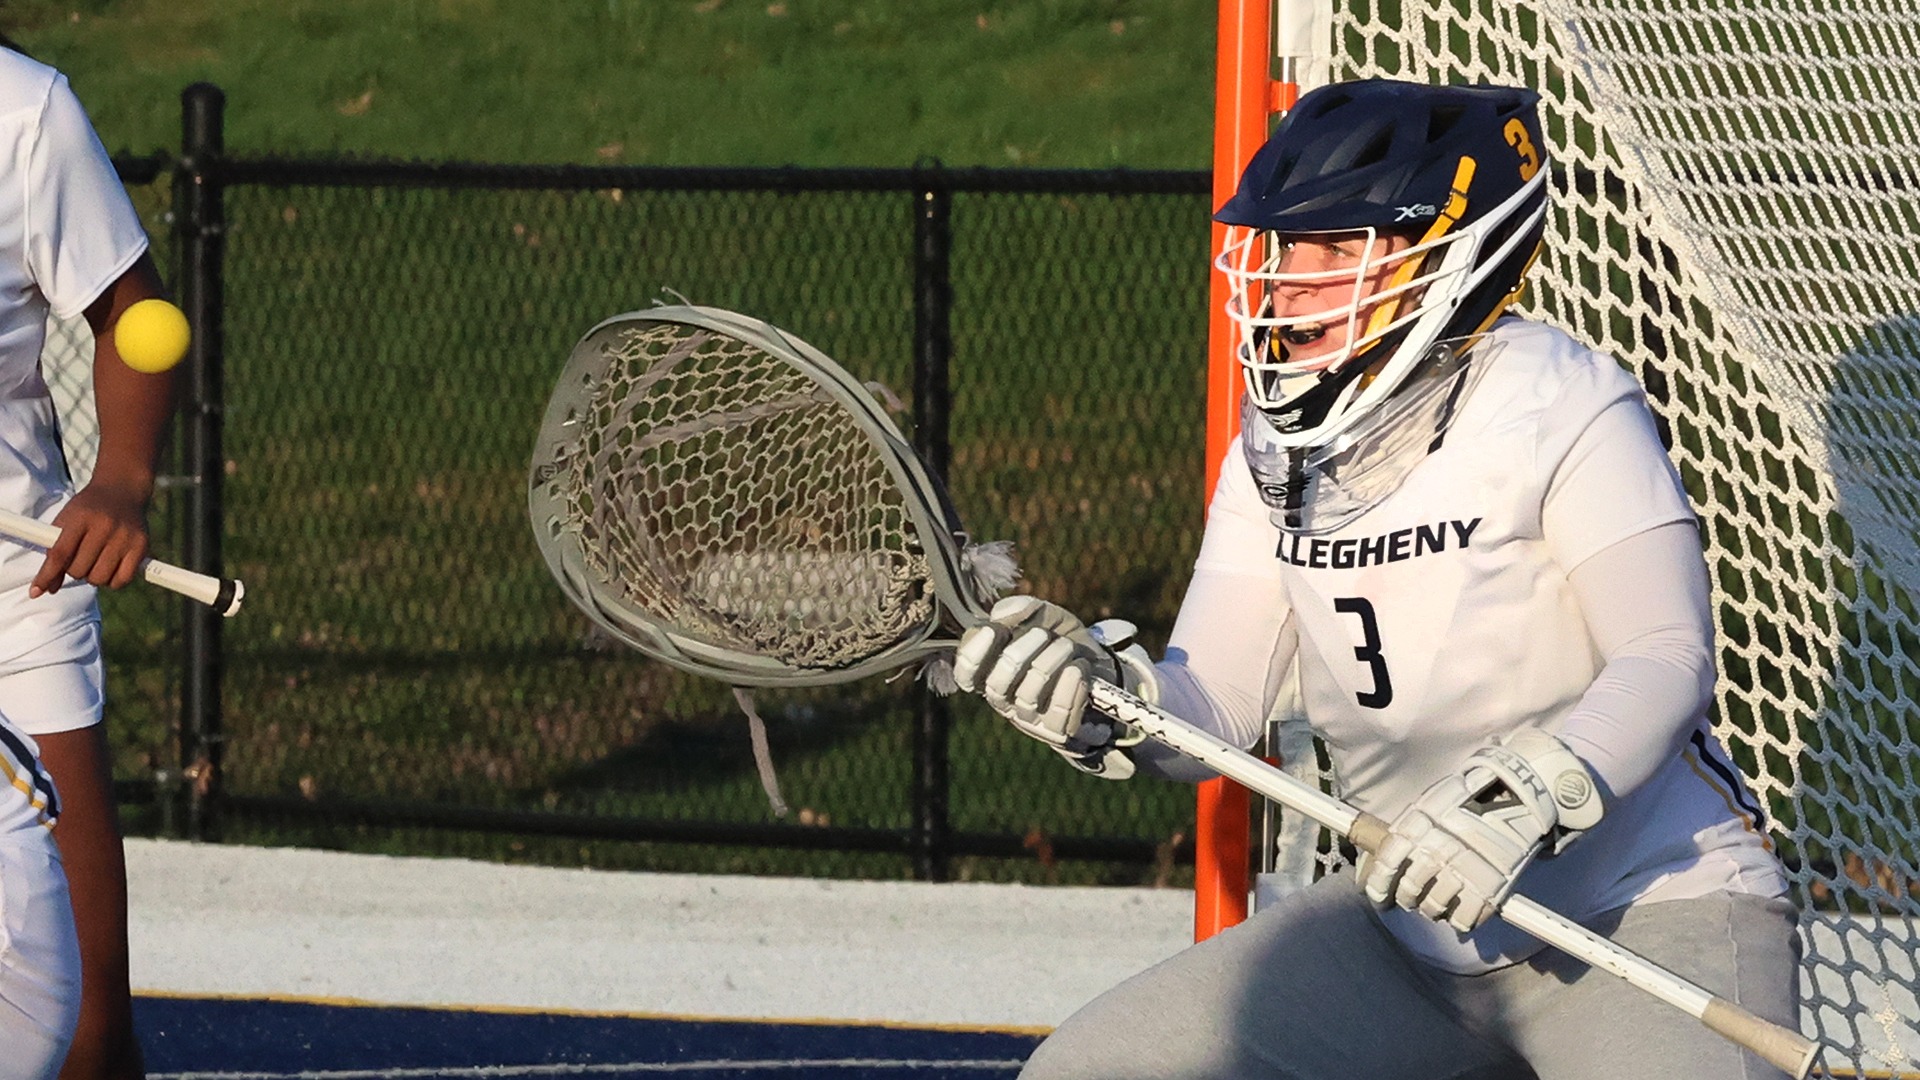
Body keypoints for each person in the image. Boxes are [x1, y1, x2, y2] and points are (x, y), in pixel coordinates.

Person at [953, 78, 1799, 1080]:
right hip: (1407, 932)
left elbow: (1667, 654)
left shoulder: (1558, 400)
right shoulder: (1276, 443)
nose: (1290, 280)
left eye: (1334, 245)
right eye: (1284, 246)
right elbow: (1215, 705)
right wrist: (1108, 698)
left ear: (1448, 255)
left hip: (1640, 914)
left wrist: (1527, 795)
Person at [0, 39, 177, 1080]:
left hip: (16, 597)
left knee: (85, 1023)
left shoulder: (25, 114)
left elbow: (135, 317)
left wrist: (120, 480)